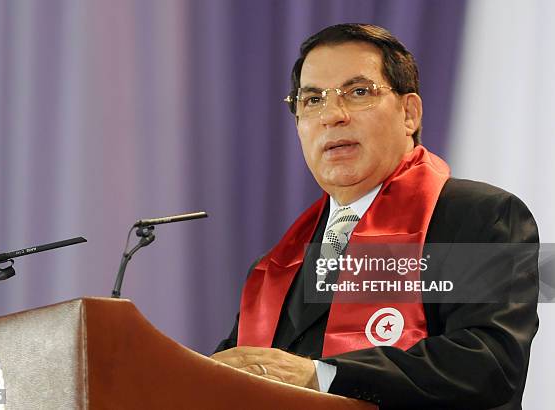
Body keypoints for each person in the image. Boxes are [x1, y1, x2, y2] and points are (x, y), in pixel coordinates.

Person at [211, 24, 539, 409]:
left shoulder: (482, 216)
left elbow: (492, 364)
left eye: (359, 92)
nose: (332, 115)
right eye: (312, 100)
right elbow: (231, 374)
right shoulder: (275, 267)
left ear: (409, 114)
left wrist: (323, 376)